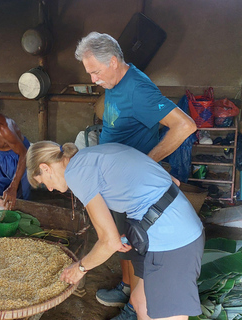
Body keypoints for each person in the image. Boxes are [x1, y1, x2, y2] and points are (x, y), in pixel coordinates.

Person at [75, 31, 197, 319]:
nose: (93, 79)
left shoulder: (138, 89)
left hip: (134, 186)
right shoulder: (115, 82)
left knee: (138, 244)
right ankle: (127, 287)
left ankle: (135, 306)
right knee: (123, 239)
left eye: (95, 72)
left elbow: (185, 126)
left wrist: (148, 162)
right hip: (119, 182)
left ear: (114, 61)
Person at [27, 141, 204, 320]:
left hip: (173, 240)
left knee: (158, 313)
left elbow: (109, 242)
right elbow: (174, 182)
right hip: (177, 224)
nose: (50, 189)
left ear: (46, 167)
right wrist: (139, 228)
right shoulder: (90, 156)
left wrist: (80, 268)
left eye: (44, 183)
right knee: (139, 302)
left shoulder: (75, 173)